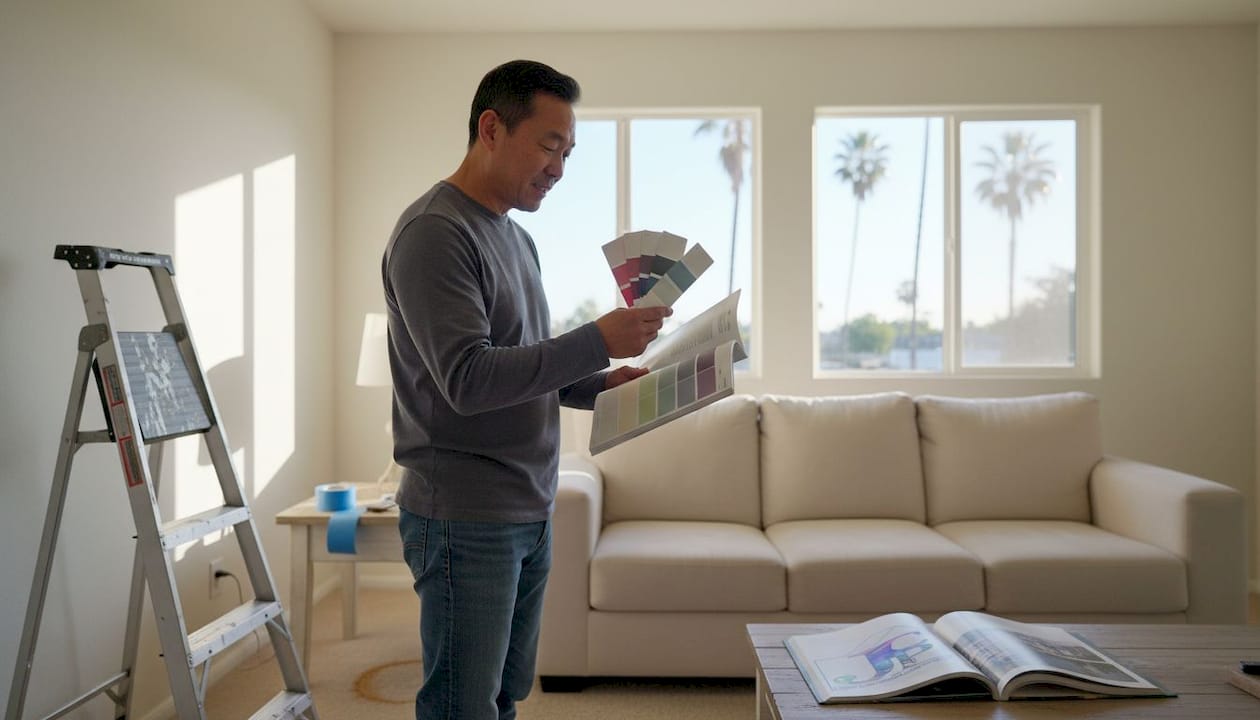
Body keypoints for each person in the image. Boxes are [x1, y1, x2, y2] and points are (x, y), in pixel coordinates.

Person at [381, 59, 671, 720]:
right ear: (491, 127)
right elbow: (468, 379)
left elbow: (525, 367)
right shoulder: (435, 233)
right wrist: (598, 338)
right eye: (549, 145)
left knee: (506, 694)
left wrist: (602, 383)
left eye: (568, 152)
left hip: (529, 505)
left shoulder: (519, 240)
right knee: (463, 704)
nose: (559, 167)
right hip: (465, 514)